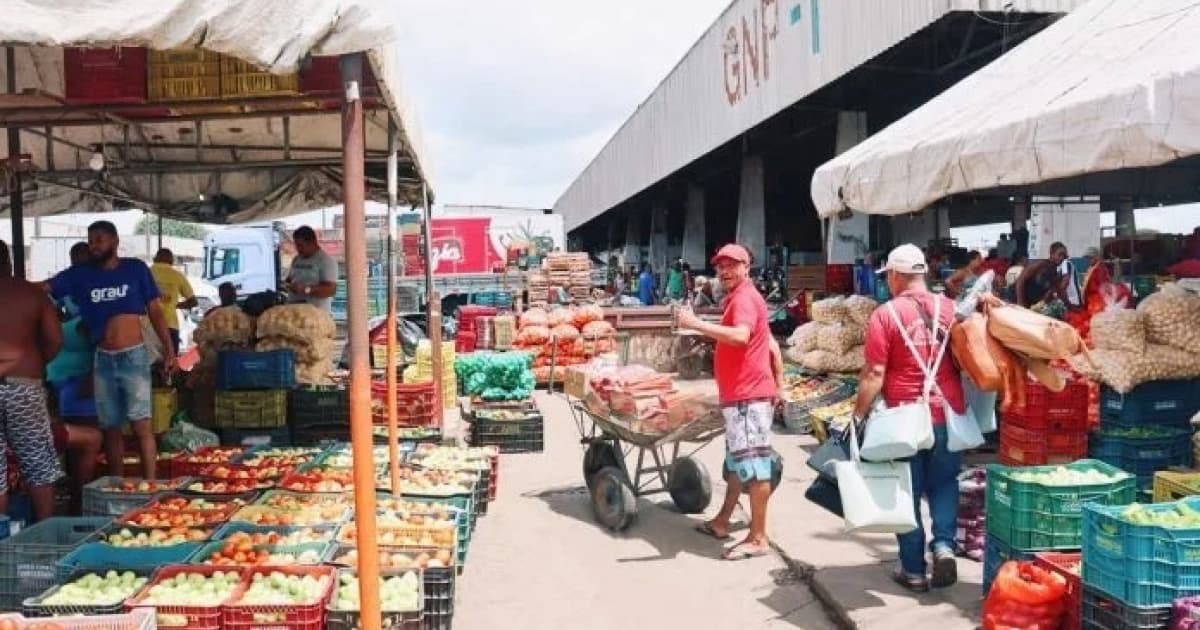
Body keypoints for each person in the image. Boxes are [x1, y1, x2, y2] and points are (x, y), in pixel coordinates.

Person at [853, 243, 965, 592]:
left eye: (889, 277)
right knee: (945, 483)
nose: (888, 283)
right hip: (948, 414)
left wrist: (858, 414)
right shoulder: (951, 309)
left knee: (907, 493)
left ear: (899, 276)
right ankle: (944, 545)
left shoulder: (885, 315)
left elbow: (874, 373)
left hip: (903, 418)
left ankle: (914, 571)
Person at [47, 221, 174, 480]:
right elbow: (43, 288)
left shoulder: (135, 269)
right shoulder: (81, 274)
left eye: (100, 239)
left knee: (142, 426)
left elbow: (156, 311)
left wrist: (169, 350)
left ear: (115, 241)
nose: (94, 245)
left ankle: (149, 484)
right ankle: (117, 485)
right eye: (91, 240)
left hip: (134, 356)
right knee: (111, 428)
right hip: (103, 360)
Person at [677, 244, 779, 561]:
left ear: (746, 267)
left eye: (732, 265)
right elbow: (771, 344)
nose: (725, 271)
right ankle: (722, 521)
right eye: (720, 266)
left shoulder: (746, 298)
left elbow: (741, 337)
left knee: (756, 467)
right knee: (737, 462)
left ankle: (759, 537)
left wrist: (695, 324)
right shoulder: (739, 298)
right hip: (741, 395)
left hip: (748, 397)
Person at [0, 240, 66, 521]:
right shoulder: (32, 294)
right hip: (23, 387)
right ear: (9, 263)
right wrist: (35, 364)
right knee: (39, 466)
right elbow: (54, 342)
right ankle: (44, 536)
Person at [44, 242, 103, 504]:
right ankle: (76, 496)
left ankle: (80, 498)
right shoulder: (59, 293)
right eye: (75, 262)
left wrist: (92, 377)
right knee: (72, 444)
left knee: (82, 442)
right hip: (58, 377)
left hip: (82, 379)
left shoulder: (95, 296)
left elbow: (100, 344)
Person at [150, 248, 197, 355]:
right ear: (171, 261)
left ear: (155, 259)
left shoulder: (146, 273)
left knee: (149, 363)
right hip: (170, 325)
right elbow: (193, 301)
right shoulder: (177, 275)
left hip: (149, 326)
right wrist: (175, 305)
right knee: (171, 363)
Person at [285, 226, 338, 312]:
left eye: (300, 245)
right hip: (294, 311)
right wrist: (287, 285)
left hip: (315, 315)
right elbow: (290, 279)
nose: (298, 249)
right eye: (296, 245)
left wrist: (306, 289)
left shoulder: (326, 261)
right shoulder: (297, 259)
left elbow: (330, 290)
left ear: (312, 242)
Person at [1015, 242, 1069, 307]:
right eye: (1060, 255)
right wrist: (1020, 303)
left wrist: (1068, 305)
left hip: (1028, 305)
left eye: (1064, 256)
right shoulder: (1039, 265)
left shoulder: (1055, 274)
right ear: (1051, 253)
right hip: (1014, 300)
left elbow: (1059, 292)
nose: (1062, 258)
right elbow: (1020, 281)